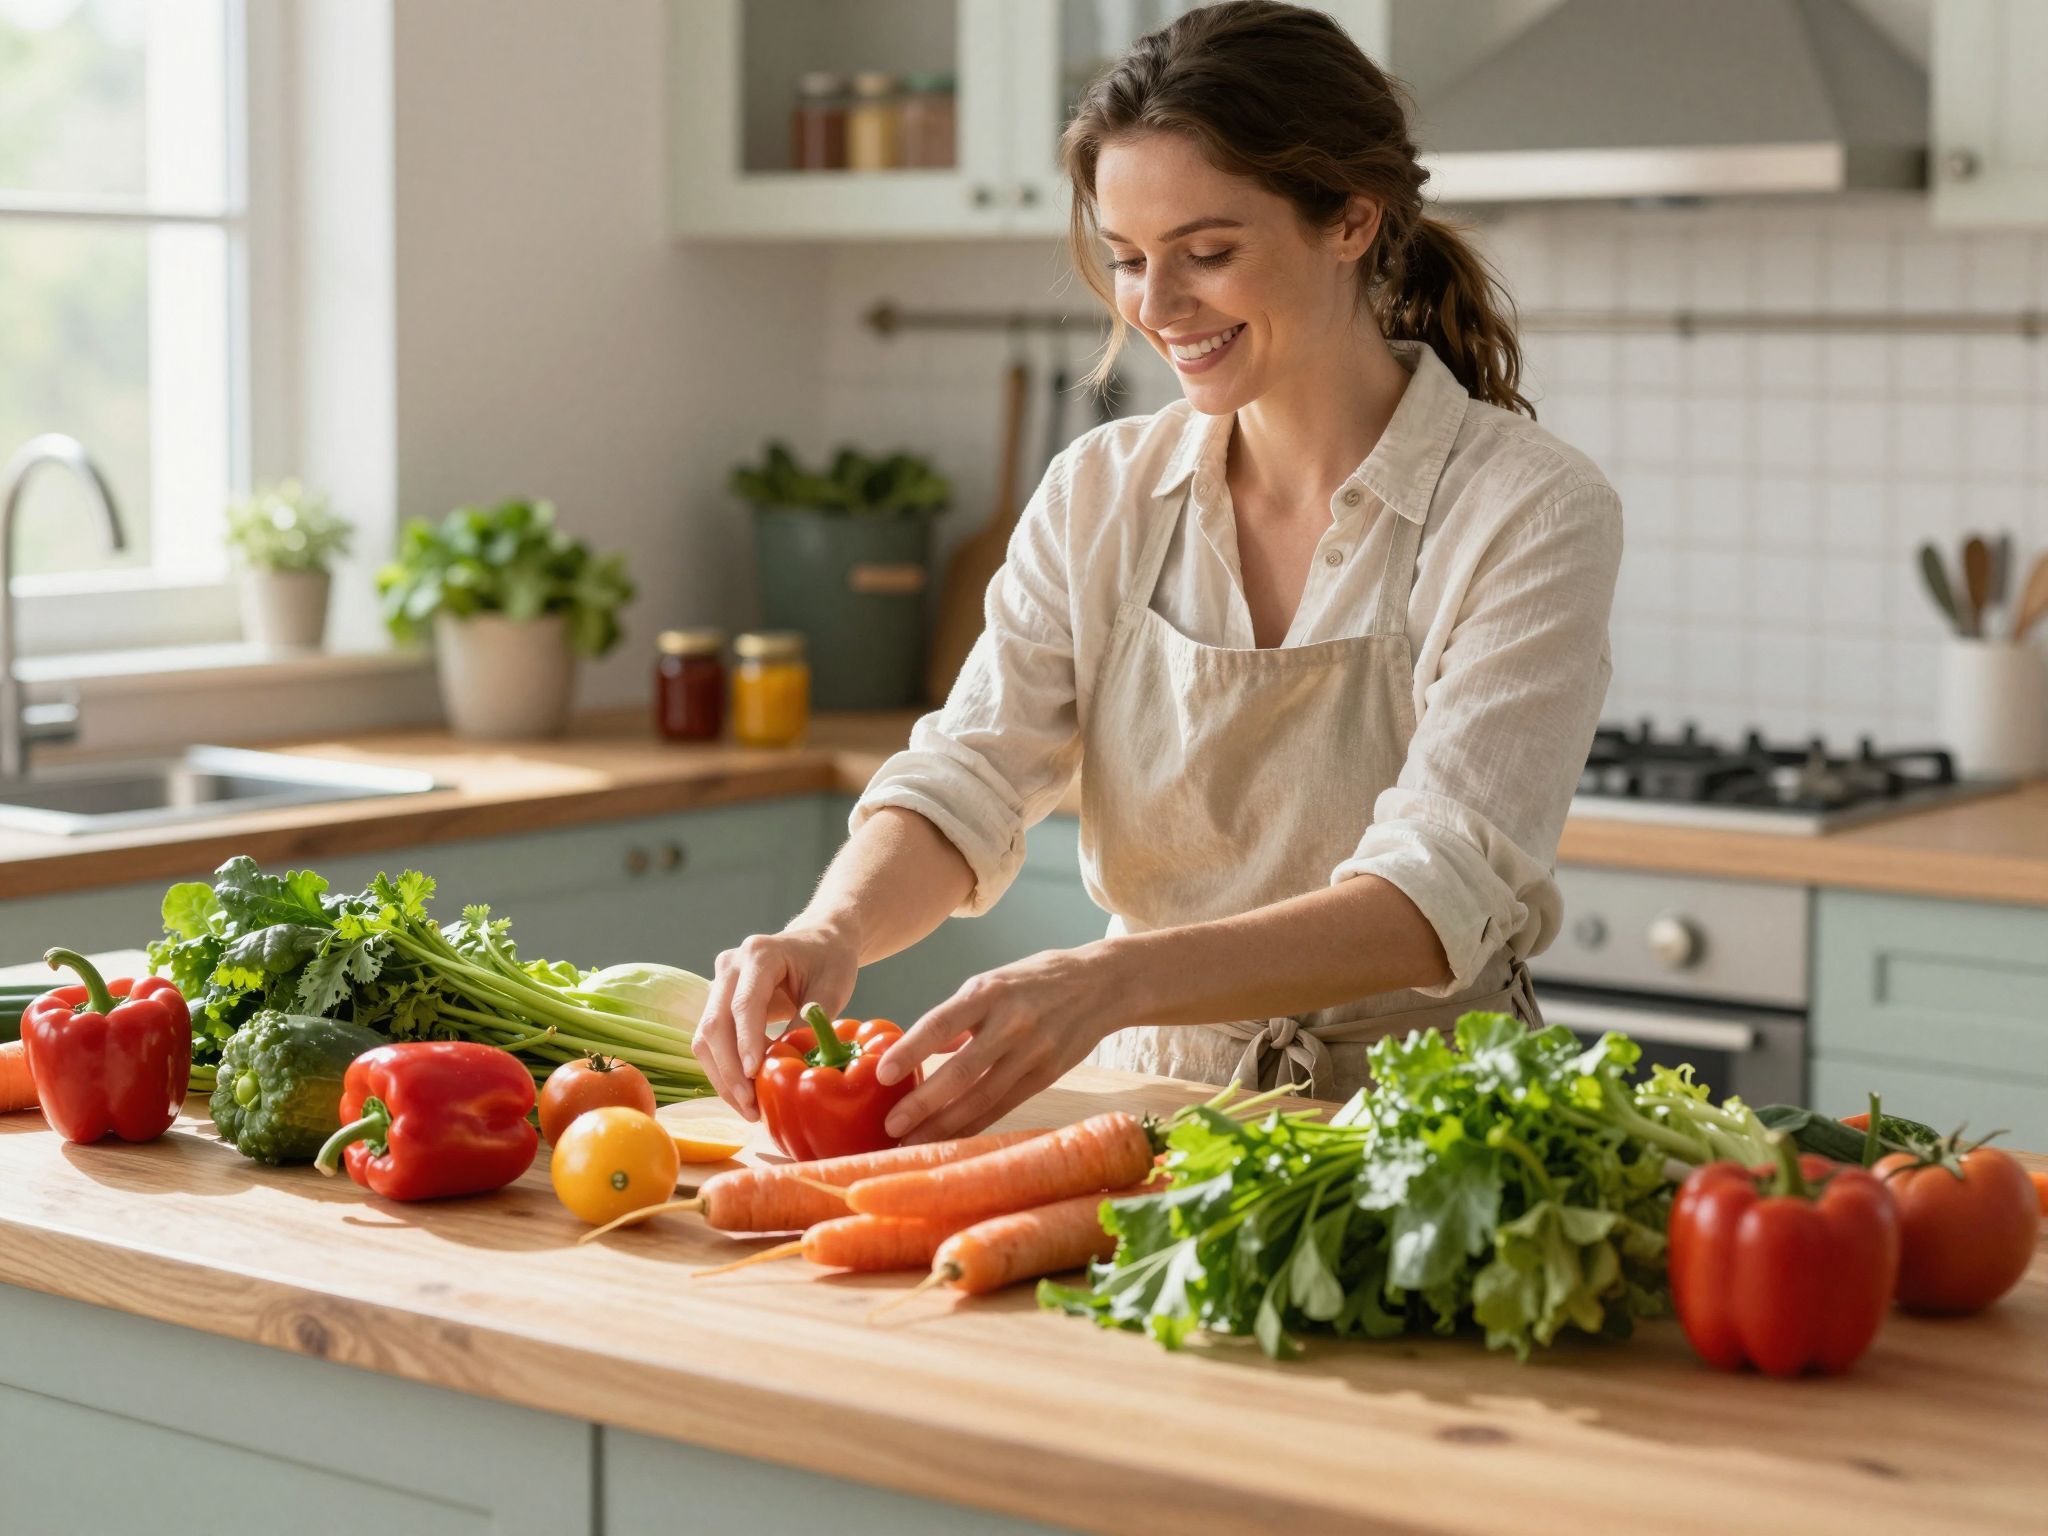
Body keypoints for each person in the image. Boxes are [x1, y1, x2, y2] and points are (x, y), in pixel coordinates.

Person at [694, 0, 1620, 1144]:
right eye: (1129, 260)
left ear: (1349, 221)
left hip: (1420, 1135)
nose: (1156, 306)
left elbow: (1435, 894)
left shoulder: (1523, 505)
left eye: (1208, 253)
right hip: (1137, 1117)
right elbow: (970, 773)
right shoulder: (1101, 492)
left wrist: (1109, 980)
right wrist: (830, 930)